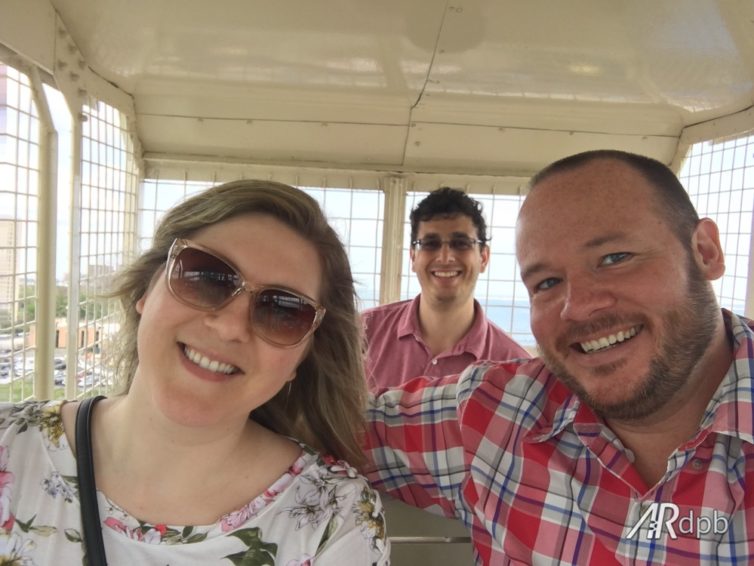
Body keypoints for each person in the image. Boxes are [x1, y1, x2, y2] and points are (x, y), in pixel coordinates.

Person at [364, 149, 754, 564]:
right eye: (547, 282)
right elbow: (330, 424)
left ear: (706, 251)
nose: (579, 306)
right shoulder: (494, 415)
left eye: (614, 258)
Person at [0, 180, 389, 564]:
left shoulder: (334, 520)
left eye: (283, 311)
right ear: (146, 291)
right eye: (205, 277)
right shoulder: (8, 449)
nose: (230, 327)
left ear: (301, 359)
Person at [362, 187, 529, 390]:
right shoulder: (362, 334)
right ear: (413, 257)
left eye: (461, 243)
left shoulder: (514, 368)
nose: (445, 257)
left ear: (483, 258)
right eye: (430, 244)